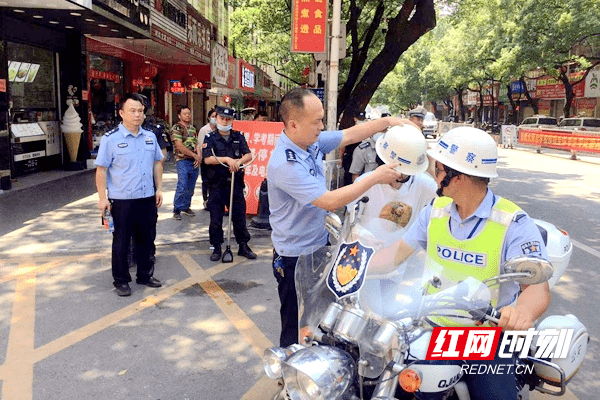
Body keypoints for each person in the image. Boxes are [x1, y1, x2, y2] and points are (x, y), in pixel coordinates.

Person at [372, 127, 550, 400]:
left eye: (439, 168)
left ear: (459, 177)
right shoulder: (434, 212)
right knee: (384, 381)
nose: (433, 173)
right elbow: (395, 255)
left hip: (484, 339)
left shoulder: (513, 222)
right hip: (430, 327)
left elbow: (537, 288)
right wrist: (354, 270)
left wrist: (521, 314)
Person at [267, 88, 409, 347]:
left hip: (319, 247)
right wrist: (376, 177)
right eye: (316, 122)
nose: (322, 127)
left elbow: (350, 134)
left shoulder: (310, 142)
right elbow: (330, 200)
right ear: (293, 125)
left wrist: (388, 122)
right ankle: (290, 377)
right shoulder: (285, 164)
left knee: (320, 316)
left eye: (322, 120)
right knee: (295, 320)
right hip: (294, 257)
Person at [95, 93, 164, 297]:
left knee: (147, 239)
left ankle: (144, 274)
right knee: (121, 242)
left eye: (140, 111)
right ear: (121, 113)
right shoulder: (111, 139)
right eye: (132, 111)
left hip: (146, 198)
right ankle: (121, 280)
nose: (137, 115)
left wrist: (159, 188)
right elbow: (101, 170)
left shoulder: (150, 137)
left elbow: (157, 163)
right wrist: (102, 198)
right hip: (122, 200)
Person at [348, 124, 437, 229]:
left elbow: (443, 206)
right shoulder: (365, 182)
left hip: (406, 245)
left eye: (405, 171)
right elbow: (351, 218)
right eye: (396, 169)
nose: (399, 175)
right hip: (370, 244)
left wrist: (432, 167)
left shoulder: (424, 184)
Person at [203, 106, 256, 262]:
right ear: (216, 118)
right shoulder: (210, 138)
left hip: (235, 183)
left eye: (228, 119)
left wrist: (238, 162)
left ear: (232, 120)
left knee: (239, 216)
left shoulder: (238, 137)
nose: (225, 121)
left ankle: (243, 245)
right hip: (216, 185)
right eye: (221, 118)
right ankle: (217, 247)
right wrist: (227, 159)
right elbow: (207, 159)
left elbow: (248, 154)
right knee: (215, 219)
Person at [171, 106, 201, 220]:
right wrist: (194, 155)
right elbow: (179, 145)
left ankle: (186, 206)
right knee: (182, 185)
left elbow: (197, 143)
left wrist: (198, 157)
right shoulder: (176, 128)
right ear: (179, 115)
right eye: (185, 114)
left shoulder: (193, 129)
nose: (188, 116)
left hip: (193, 160)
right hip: (182, 160)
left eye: (189, 113)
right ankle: (177, 209)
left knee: (191, 186)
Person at [340, 110, 367, 186]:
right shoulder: (350, 131)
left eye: (362, 119)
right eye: (359, 119)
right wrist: (341, 158)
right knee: (348, 178)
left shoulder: (367, 131)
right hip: (350, 157)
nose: (360, 121)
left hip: (362, 158)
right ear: (355, 119)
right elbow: (343, 146)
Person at [199, 108, 217, 209]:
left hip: (217, 161)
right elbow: (200, 145)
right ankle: (206, 201)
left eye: (216, 116)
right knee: (206, 181)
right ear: (209, 118)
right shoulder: (204, 130)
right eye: (213, 116)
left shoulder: (220, 130)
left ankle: (213, 200)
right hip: (206, 160)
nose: (214, 119)